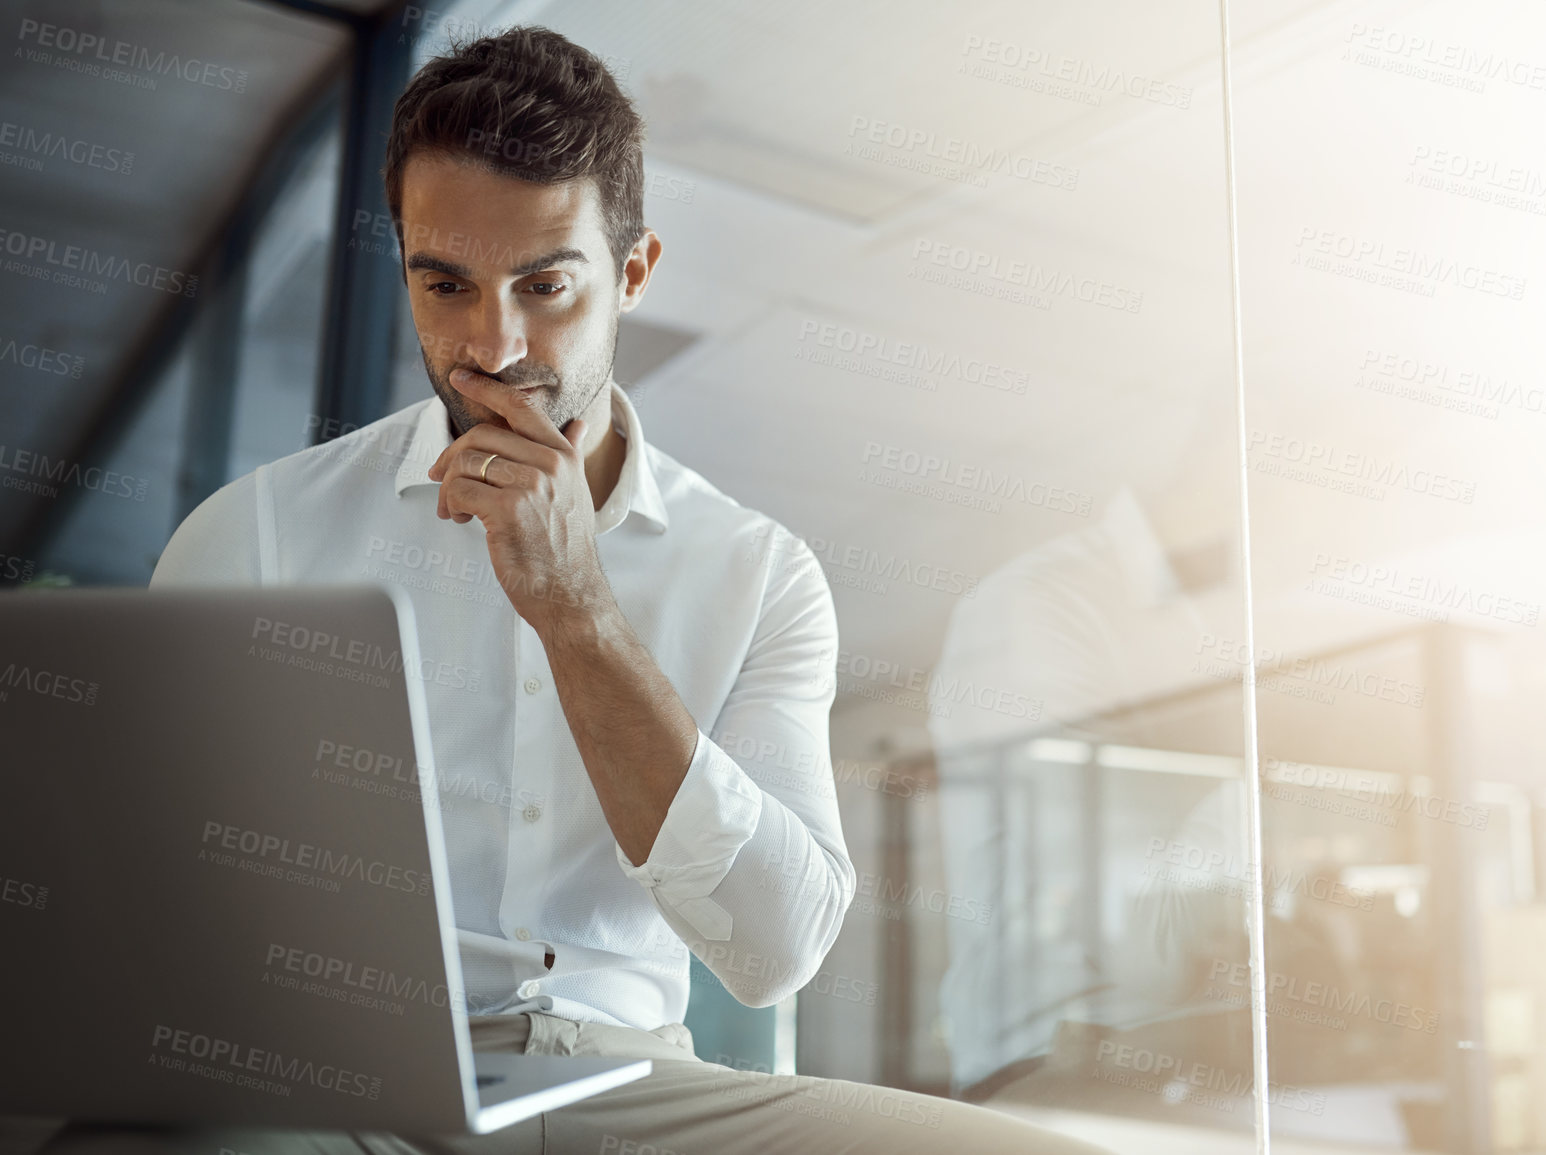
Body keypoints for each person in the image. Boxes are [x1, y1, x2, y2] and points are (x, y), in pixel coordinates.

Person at [15, 26, 1111, 1155]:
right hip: (343, 1096)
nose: (492, 344)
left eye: (545, 286)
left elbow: (777, 949)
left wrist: (575, 608)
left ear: (632, 273)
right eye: (446, 285)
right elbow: (144, 920)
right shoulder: (256, 533)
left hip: (630, 1088)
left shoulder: (759, 571)